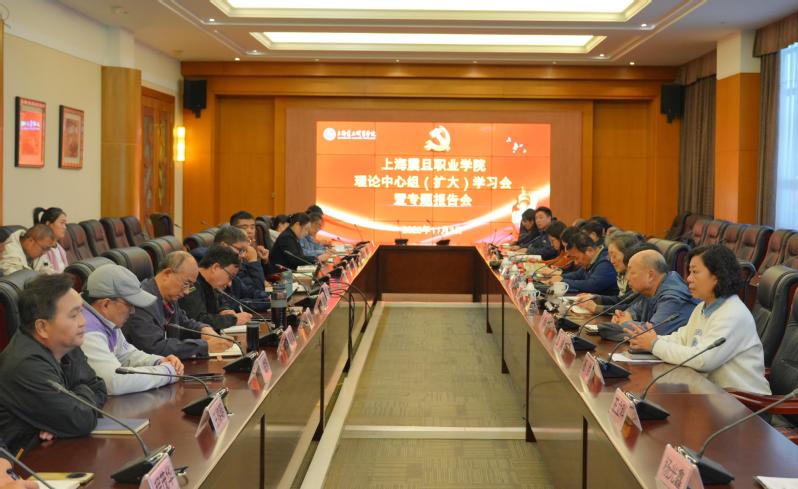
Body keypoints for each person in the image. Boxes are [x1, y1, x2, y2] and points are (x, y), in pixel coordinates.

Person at [627, 245, 770, 394]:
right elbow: (682, 339)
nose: (688, 279)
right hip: (709, 393)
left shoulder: (733, 313)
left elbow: (703, 360)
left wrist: (654, 344)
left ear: (716, 276)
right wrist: (648, 339)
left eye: (695, 272)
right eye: (689, 272)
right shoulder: (702, 307)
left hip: (743, 401)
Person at [0, 274, 107, 456]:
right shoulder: (25, 366)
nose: (83, 322)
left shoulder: (65, 344)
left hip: (54, 450)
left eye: (81, 312)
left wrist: (62, 419)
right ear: (42, 327)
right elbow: (82, 419)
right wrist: (72, 409)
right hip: (25, 462)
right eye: (74, 315)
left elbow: (99, 388)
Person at [80, 264, 185, 395]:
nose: (133, 311)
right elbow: (114, 382)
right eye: (129, 304)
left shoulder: (104, 318)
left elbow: (126, 355)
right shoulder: (85, 329)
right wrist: (167, 373)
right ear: (106, 304)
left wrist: (158, 361)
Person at [122, 251, 230, 359]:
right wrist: (204, 346)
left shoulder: (169, 296)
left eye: (190, 286)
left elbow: (183, 323)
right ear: (167, 274)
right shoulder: (141, 301)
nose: (187, 292)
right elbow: (154, 347)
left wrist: (203, 330)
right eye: (186, 283)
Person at [179, 245, 251, 330]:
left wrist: (224, 310)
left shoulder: (211, 283)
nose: (229, 283)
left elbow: (222, 301)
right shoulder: (192, 284)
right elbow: (199, 320)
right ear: (215, 267)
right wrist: (233, 320)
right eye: (230, 276)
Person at [577, 232, 641, 313]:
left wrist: (597, 308)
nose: (611, 261)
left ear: (628, 255)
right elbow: (621, 300)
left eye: (614, 256)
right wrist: (595, 298)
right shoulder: (622, 274)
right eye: (610, 256)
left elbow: (629, 307)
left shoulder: (638, 277)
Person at [211, 226, 269, 311]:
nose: (244, 255)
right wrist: (253, 261)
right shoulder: (211, 269)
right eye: (240, 250)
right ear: (224, 246)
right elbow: (231, 304)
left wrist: (272, 297)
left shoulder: (233, 269)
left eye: (244, 251)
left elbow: (251, 292)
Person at [543, 231, 617, 296]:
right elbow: (578, 275)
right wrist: (561, 277)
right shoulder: (592, 260)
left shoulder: (606, 261)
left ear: (590, 250)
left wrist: (563, 281)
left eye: (576, 258)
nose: (576, 263)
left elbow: (592, 285)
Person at [33, 207, 69, 272]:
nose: (65, 227)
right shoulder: (40, 250)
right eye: (61, 223)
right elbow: (47, 274)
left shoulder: (60, 248)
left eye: (65, 224)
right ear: (48, 224)